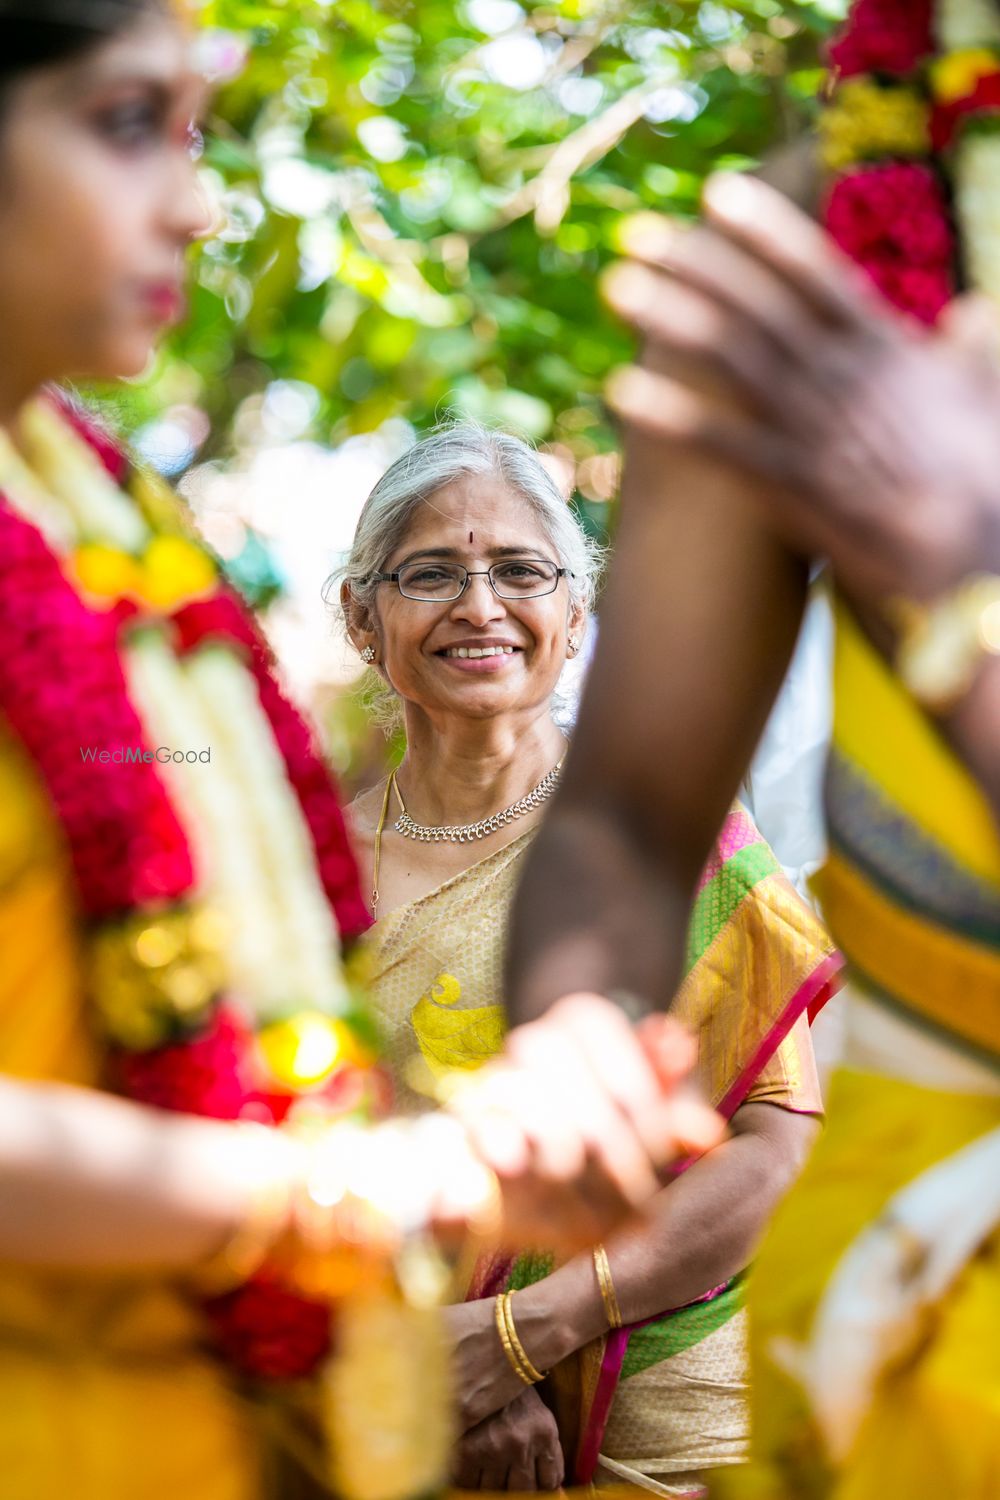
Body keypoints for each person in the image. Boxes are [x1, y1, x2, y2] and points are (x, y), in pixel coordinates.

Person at [0, 4, 725, 1496]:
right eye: (127, 122)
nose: (197, 201)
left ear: (575, 615)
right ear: (364, 613)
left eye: (196, 133)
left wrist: (501, 1300)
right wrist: (376, 1188)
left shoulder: (85, 505)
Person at [504, 162, 1000, 1496]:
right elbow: (620, 822)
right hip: (879, 1304)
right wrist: (577, 1026)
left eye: (520, 571)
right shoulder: (837, 237)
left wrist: (960, 565)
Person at [340, 424, 839, 1494]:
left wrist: (517, 1339)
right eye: (431, 573)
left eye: (520, 572)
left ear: (574, 615)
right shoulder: (311, 870)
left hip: (655, 1426)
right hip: (383, 1401)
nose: (479, 607)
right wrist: (425, 1358)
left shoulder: (665, 838)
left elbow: (772, 1153)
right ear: (360, 615)